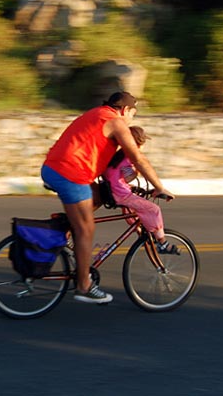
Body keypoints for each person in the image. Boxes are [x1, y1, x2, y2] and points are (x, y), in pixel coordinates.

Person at [41, 92, 175, 304]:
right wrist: (159, 187)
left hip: (53, 167)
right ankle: (84, 285)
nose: (131, 119)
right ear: (125, 110)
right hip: (70, 174)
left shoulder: (96, 113)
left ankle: (66, 231)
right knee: (86, 228)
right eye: (133, 114)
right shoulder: (116, 122)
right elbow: (137, 158)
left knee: (100, 195)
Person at [103, 126, 179, 255]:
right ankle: (162, 243)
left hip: (112, 190)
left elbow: (120, 178)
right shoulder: (130, 156)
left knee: (132, 212)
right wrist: (138, 172)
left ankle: (140, 233)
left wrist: (134, 187)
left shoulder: (119, 155)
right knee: (153, 209)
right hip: (120, 194)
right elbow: (130, 176)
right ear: (138, 143)